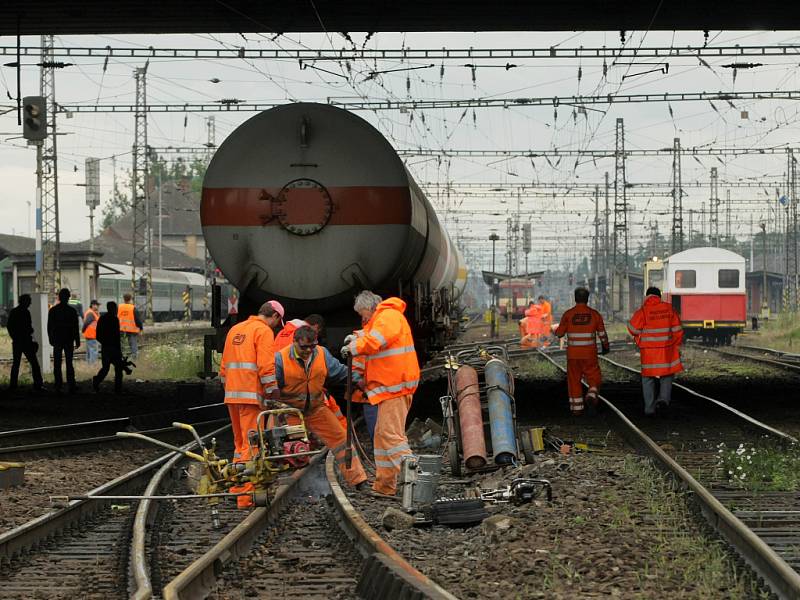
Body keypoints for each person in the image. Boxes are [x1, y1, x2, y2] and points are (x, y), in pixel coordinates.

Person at [342, 291, 419, 497]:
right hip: (390, 387)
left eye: (362, 313)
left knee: (390, 435)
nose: (362, 318)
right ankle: (385, 486)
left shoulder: (388, 316)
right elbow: (370, 335)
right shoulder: (383, 319)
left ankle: (417, 482)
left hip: (395, 386)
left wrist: (353, 347)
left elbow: (374, 341)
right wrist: (357, 338)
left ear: (370, 307)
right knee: (380, 436)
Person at [275, 325, 368, 488]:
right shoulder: (280, 359)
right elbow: (270, 387)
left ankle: (358, 480)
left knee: (340, 439)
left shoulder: (321, 354)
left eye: (312, 346)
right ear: (294, 342)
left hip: (316, 408)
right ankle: (284, 482)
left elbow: (339, 371)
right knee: (291, 450)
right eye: (304, 347)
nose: (308, 351)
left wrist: (356, 379)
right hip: (291, 411)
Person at [219, 300, 284, 508]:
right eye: (277, 322)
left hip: (232, 395)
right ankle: (244, 496)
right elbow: (266, 366)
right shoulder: (263, 331)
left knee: (240, 445)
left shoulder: (235, 329)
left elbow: (223, 367)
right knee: (252, 445)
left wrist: (229, 387)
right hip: (250, 397)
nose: (276, 326)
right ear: (274, 316)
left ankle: (235, 485)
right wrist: (273, 392)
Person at [627, 287, 684, 416]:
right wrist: (674, 345)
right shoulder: (669, 309)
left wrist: (640, 335)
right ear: (659, 296)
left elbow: (632, 329)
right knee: (667, 375)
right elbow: (678, 331)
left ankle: (649, 408)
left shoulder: (643, 311)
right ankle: (663, 400)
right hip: (666, 352)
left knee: (647, 379)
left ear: (647, 296)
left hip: (649, 354)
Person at [555, 287, 609, 416]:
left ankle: (577, 408)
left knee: (574, 380)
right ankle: (592, 391)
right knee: (594, 375)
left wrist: (557, 330)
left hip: (573, 355)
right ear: (587, 298)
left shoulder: (568, 314)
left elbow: (559, 333)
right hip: (589, 353)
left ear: (575, 298)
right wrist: (606, 347)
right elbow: (602, 334)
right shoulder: (595, 314)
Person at [6, 294, 44, 391]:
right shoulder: (26, 312)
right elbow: (28, 328)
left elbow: (9, 326)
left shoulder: (14, 312)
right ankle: (38, 384)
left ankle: (13, 386)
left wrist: (14, 337)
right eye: (29, 301)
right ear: (25, 302)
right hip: (26, 341)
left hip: (18, 342)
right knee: (34, 363)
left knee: (16, 364)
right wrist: (30, 332)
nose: (30, 303)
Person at [48, 288, 80, 394]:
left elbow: (49, 326)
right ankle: (71, 385)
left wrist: (50, 338)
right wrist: (77, 340)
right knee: (69, 362)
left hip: (57, 339)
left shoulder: (53, 310)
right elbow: (75, 327)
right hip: (68, 340)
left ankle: (58, 385)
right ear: (68, 298)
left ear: (59, 298)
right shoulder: (72, 311)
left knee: (57, 363)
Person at [93, 301, 124, 393]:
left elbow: (98, 335)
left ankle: (96, 381)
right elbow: (117, 336)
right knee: (118, 369)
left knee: (105, 368)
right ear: (114, 309)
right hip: (114, 348)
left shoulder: (102, 319)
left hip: (106, 348)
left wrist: (104, 343)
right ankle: (118, 389)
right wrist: (119, 350)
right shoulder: (115, 320)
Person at [118, 293, 143, 359]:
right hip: (132, 330)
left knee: (121, 345)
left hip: (121, 329)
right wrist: (141, 328)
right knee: (133, 344)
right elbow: (138, 320)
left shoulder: (119, 307)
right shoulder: (133, 308)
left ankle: (120, 358)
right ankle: (134, 358)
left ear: (124, 299)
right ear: (131, 299)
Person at [82, 299, 100, 365]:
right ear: (92, 305)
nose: (98, 307)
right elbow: (87, 322)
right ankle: (93, 364)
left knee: (89, 351)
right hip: (91, 334)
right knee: (93, 350)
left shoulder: (91, 312)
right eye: (97, 305)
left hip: (90, 334)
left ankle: (89, 364)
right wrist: (83, 330)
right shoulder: (91, 313)